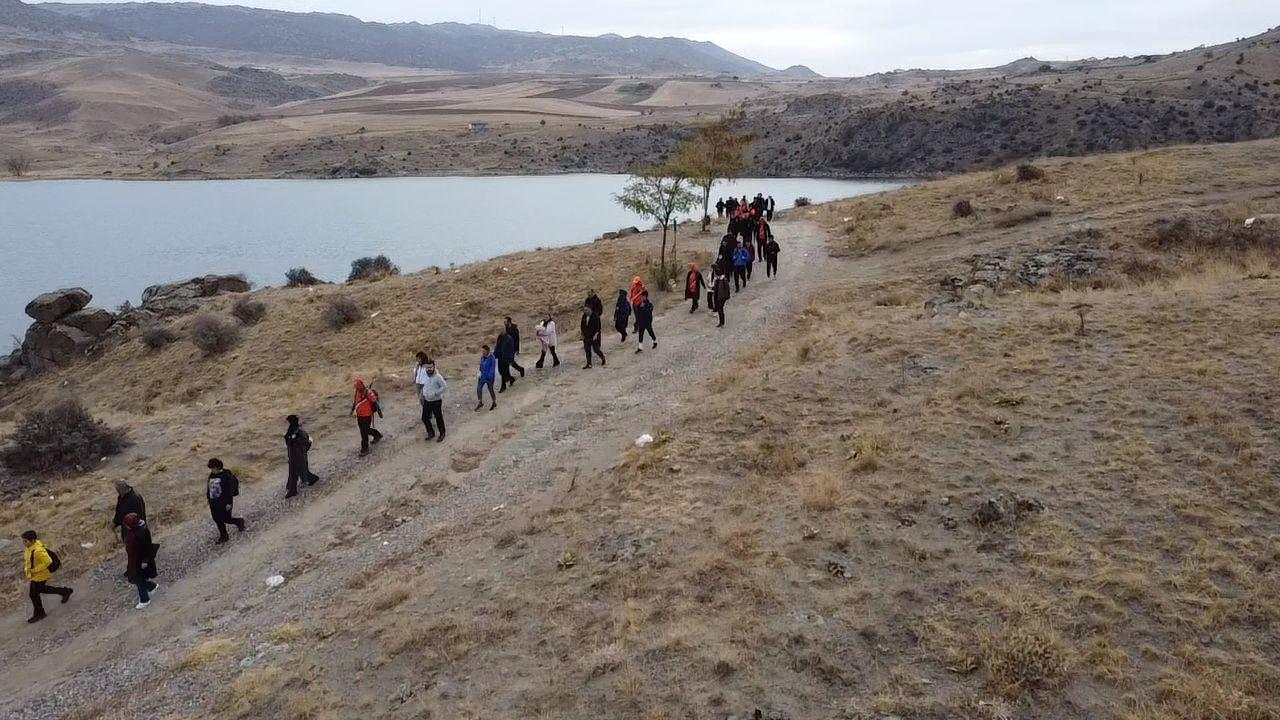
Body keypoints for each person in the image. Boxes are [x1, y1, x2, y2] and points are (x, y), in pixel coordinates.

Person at [21, 530, 71, 624]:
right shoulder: (31, 548)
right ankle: (65, 591)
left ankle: (40, 613)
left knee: (33, 594)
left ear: (32, 540)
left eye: (25, 541)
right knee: (42, 589)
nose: (24, 543)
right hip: (36, 575)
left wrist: (35, 570)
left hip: (40, 575)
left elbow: (48, 561)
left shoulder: (38, 551)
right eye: (23, 541)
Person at [121, 513, 158, 610]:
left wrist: (143, 561)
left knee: (136, 578)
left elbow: (141, 548)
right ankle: (151, 586)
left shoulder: (137, 534)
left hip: (138, 560)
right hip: (136, 560)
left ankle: (145, 600)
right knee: (134, 578)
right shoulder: (139, 530)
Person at [206, 458, 245, 543]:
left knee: (226, 518)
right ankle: (224, 536)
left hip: (224, 502)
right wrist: (208, 498)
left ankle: (239, 521)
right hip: (214, 502)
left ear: (217, 467)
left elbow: (229, 491)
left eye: (212, 468)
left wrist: (229, 503)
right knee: (217, 519)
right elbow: (209, 487)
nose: (211, 470)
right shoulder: (212, 475)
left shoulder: (226, 475)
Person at [284, 414, 318, 496]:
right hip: (293, 455)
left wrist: (301, 450)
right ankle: (292, 488)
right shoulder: (291, 430)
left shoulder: (299, 431)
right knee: (296, 472)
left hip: (299, 455)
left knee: (299, 471)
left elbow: (306, 442)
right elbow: (288, 442)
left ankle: (293, 490)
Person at [350, 379, 383, 457]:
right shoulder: (357, 392)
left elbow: (375, 402)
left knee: (364, 432)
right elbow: (355, 402)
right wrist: (352, 410)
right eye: (356, 388)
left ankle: (364, 449)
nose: (357, 389)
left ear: (361, 386)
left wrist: (380, 413)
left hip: (367, 416)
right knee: (364, 430)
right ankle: (377, 435)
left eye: (358, 387)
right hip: (359, 415)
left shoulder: (369, 393)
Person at [419, 362, 446, 442]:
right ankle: (431, 432)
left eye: (431, 367)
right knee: (424, 418)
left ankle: (442, 433)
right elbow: (424, 386)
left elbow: (444, 386)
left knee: (438, 417)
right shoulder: (425, 376)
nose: (429, 369)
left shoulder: (438, 377)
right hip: (427, 400)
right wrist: (422, 395)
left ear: (434, 367)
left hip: (436, 401)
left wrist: (435, 393)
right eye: (428, 367)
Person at [112, 481, 145, 546]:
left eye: (118, 491)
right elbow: (119, 511)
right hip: (126, 529)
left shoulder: (135, 498)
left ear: (123, 489)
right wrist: (115, 522)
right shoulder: (121, 497)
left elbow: (140, 515)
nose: (118, 493)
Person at [580, 301, 605, 369]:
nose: (585, 311)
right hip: (586, 336)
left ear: (590, 309)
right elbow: (582, 326)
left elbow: (598, 328)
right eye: (584, 310)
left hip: (594, 336)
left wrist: (595, 335)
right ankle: (589, 363)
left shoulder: (596, 316)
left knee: (596, 349)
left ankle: (603, 358)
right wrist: (582, 334)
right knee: (587, 350)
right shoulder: (584, 316)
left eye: (586, 310)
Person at [495, 326, 518, 393]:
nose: (500, 332)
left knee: (503, 373)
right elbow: (497, 346)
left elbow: (511, 350)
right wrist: (495, 354)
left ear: (504, 330)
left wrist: (510, 360)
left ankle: (503, 386)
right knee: (501, 371)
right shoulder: (499, 337)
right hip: (500, 357)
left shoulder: (509, 338)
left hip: (506, 358)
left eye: (501, 330)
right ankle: (511, 379)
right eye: (499, 331)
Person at [476, 345, 497, 411]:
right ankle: (480, 402)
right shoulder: (482, 357)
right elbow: (481, 366)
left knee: (490, 389)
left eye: (484, 351)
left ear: (488, 351)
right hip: (482, 376)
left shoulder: (492, 358)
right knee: (478, 388)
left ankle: (494, 402)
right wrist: (479, 373)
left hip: (489, 378)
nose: (483, 353)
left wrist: (489, 378)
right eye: (482, 351)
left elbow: (492, 369)